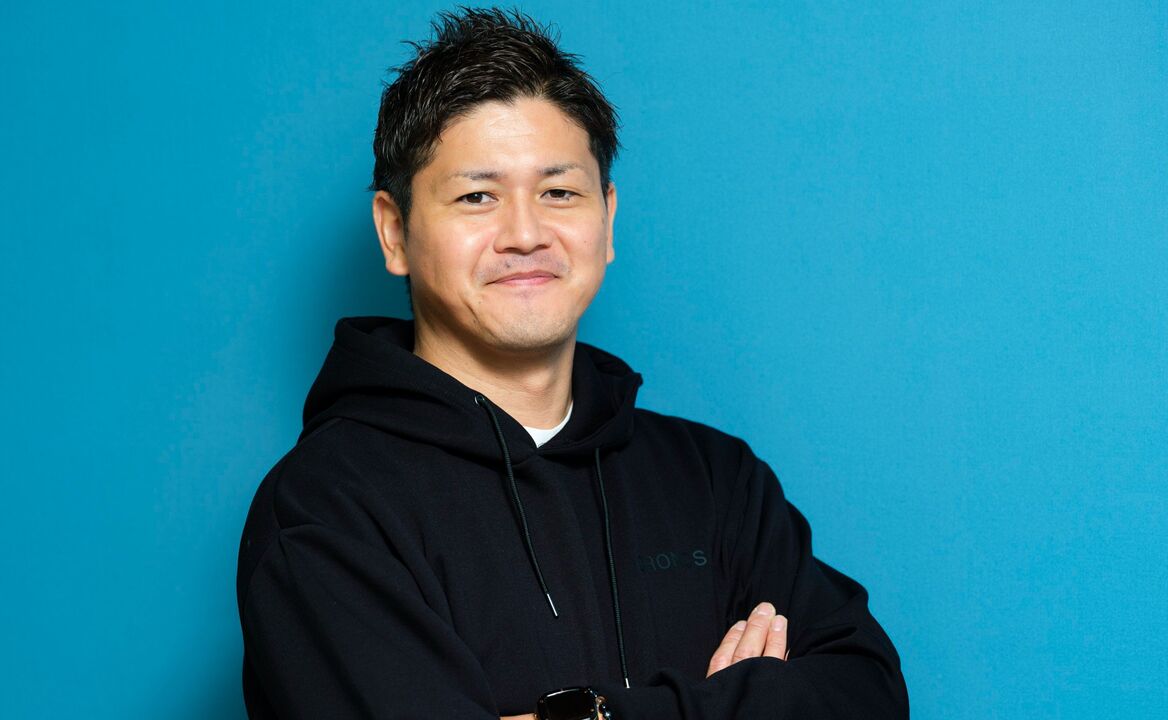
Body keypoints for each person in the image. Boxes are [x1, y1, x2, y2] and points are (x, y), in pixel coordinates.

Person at [236, 7, 908, 719]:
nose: (525, 234)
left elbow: (868, 693)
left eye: (558, 192)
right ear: (394, 232)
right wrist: (740, 706)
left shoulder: (715, 480)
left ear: (607, 218)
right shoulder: (324, 509)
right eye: (477, 196)